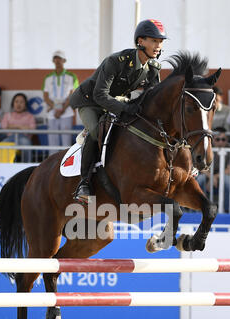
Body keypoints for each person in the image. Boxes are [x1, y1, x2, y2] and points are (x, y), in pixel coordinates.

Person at [70, 19, 167, 204]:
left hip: (115, 102)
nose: (158, 46)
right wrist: (125, 107)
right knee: (95, 132)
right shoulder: (116, 61)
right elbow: (100, 95)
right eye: (154, 41)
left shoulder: (153, 68)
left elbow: (155, 100)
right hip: (90, 101)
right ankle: (84, 184)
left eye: (160, 41)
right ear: (141, 41)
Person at [42, 50, 79, 148]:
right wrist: (56, 108)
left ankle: (65, 163)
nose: (57, 60)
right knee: (52, 142)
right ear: (53, 61)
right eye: (55, 58)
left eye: (59, 58)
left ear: (64, 60)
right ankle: (53, 163)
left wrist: (62, 109)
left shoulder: (72, 76)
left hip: (66, 112)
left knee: (66, 141)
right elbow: (45, 96)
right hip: (52, 112)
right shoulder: (48, 77)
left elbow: (72, 95)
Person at [196, 127, 230, 212]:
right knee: (199, 180)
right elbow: (201, 167)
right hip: (208, 174)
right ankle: (200, 208)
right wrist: (211, 177)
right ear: (213, 139)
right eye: (217, 139)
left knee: (227, 182)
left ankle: (226, 210)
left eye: (223, 139)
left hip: (223, 175)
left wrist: (214, 177)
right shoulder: (206, 148)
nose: (220, 142)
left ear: (227, 140)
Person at [1, 93, 36, 162]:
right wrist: (22, 127)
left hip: (24, 137)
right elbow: (4, 127)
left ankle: (26, 166)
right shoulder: (7, 115)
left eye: (21, 102)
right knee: (3, 144)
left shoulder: (30, 116)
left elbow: (32, 129)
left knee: (26, 144)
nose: (18, 104)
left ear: (25, 105)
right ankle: (3, 166)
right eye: (16, 102)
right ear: (13, 104)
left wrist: (12, 126)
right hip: (10, 137)